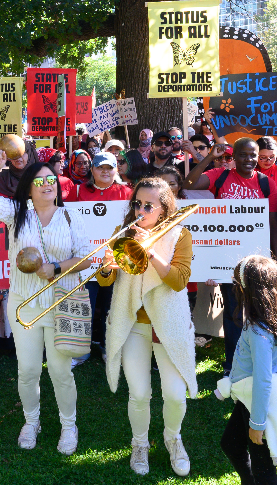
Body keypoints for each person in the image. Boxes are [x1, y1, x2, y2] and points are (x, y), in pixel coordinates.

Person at [0, 154, 91, 452]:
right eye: (39, 181)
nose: (46, 185)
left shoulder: (71, 216)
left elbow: (86, 257)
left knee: (60, 371)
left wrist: (55, 267)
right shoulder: (17, 212)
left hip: (60, 304)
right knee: (28, 369)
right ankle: (32, 421)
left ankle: (69, 426)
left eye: (51, 180)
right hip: (24, 302)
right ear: (28, 188)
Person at [98, 177, 196, 477]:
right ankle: (139, 444)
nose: (140, 210)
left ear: (163, 209)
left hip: (169, 324)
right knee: (139, 393)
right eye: (137, 204)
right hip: (133, 324)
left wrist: (149, 251)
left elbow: (179, 281)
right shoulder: (122, 233)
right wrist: (105, 267)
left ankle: (173, 438)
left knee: (176, 395)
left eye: (148, 206)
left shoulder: (179, 235)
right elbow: (105, 281)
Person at [184, 138, 277, 376]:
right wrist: (209, 157)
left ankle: (256, 361)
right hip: (228, 260)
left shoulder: (266, 183)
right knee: (234, 313)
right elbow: (189, 182)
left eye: (253, 155)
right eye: (243, 155)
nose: (249, 160)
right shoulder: (221, 176)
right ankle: (232, 365)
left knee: (257, 313)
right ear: (234, 157)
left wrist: (276, 259)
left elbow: (272, 225)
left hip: (256, 261)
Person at [220, 255, 277, 485]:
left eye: (237, 284)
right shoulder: (270, 316)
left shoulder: (258, 331)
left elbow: (263, 381)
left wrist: (257, 425)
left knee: (263, 469)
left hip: (259, 403)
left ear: (248, 290)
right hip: (250, 397)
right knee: (231, 444)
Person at [75, 152, 132, 366]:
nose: (105, 172)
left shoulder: (126, 192)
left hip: (114, 260)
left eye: (110, 168)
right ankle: (81, 350)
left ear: (117, 169)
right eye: (100, 167)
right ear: (92, 170)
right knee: (85, 306)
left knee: (111, 307)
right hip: (87, 259)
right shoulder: (79, 191)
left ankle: (109, 347)